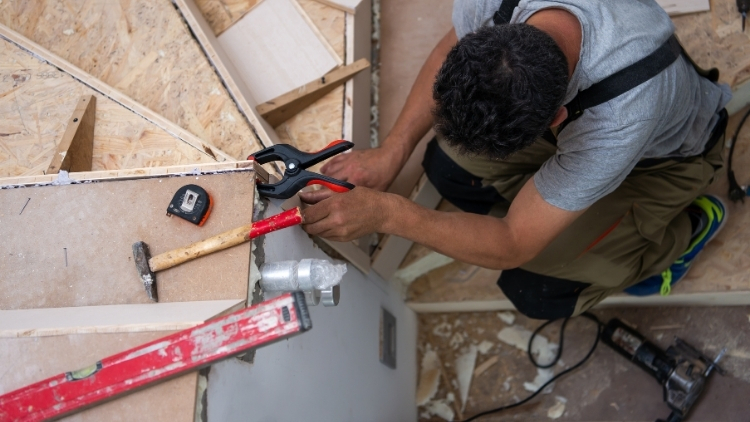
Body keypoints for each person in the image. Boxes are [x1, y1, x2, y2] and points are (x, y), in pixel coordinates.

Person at [299, 0, 732, 319]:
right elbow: (445, 51)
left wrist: (388, 214)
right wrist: (393, 150)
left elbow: (512, 242)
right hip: (589, 105)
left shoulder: (618, 119)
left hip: (664, 162)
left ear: (557, 120)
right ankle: (564, 215)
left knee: (538, 287)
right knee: (449, 169)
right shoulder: (495, 6)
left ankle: (683, 233)